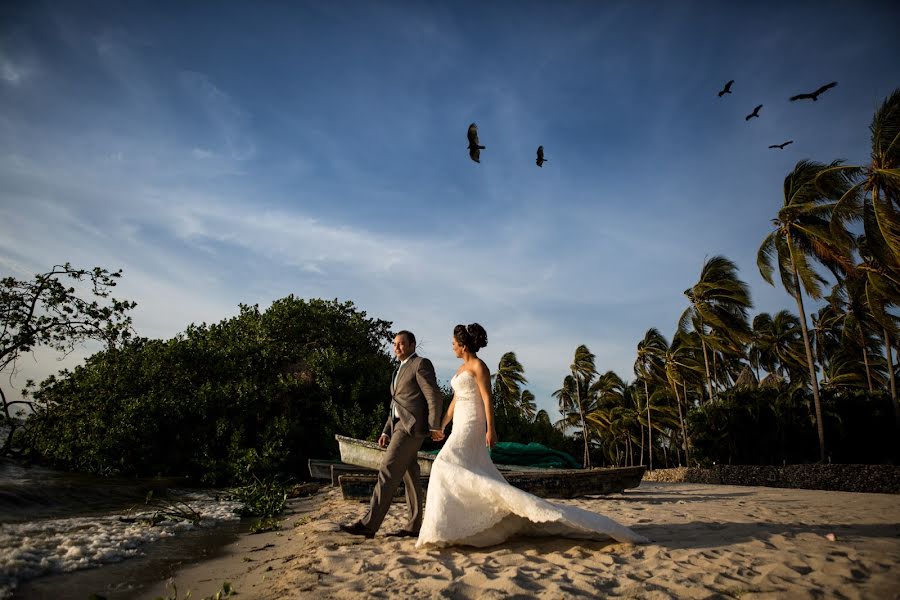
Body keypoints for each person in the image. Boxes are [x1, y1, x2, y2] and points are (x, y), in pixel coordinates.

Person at [415, 323, 648, 548]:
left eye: (454, 344)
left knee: (443, 465)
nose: (452, 347)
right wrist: (442, 425)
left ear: (463, 346)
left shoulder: (479, 366)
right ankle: (454, 527)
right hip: (459, 422)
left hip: (472, 423)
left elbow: (487, 398)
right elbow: (456, 399)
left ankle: (448, 527)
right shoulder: (460, 370)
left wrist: (491, 429)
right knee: (458, 469)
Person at [340, 330, 444, 539]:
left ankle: (369, 525)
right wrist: (386, 431)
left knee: (387, 471)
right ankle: (414, 527)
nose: (397, 347)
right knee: (411, 475)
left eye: (402, 343)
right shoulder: (398, 369)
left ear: (413, 345)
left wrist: (434, 426)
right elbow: (395, 404)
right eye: (395, 344)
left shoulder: (421, 364)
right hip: (397, 427)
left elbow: (433, 396)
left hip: (410, 428)